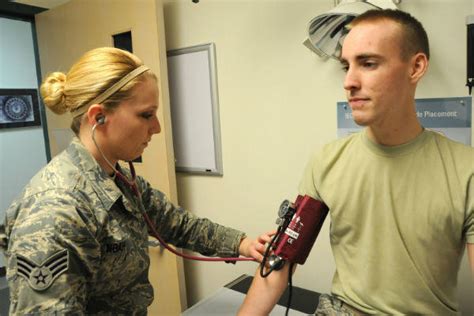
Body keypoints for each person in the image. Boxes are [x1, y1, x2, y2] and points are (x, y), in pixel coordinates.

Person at [0, 47, 272, 314]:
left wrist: (244, 244)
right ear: (99, 117)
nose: (157, 128)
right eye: (146, 115)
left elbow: (177, 224)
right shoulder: (56, 209)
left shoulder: (116, 179)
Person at [238, 9, 474, 316]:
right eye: (345, 66)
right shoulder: (327, 161)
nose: (349, 82)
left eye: (368, 63)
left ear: (415, 67)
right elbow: (280, 264)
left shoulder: (465, 170)